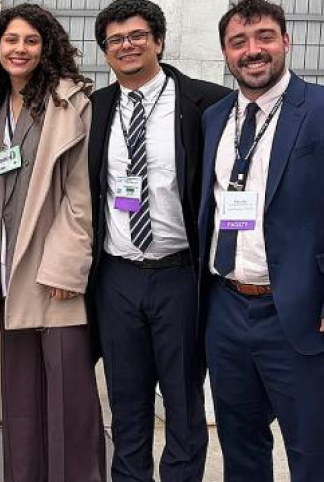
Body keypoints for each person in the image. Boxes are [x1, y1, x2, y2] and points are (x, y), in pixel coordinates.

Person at [87, 1, 229, 481]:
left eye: (137, 36)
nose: (126, 46)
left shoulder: (207, 104)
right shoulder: (94, 108)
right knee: (126, 401)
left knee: (184, 402)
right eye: (115, 40)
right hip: (117, 276)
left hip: (180, 276)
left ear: (159, 40)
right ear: (105, 51)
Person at [0, 4, 105, 481]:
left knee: (70, 402)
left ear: (46, 47)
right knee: (22, 404)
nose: (19, 49)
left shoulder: (71, 104)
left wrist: (67, 269)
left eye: (30, 40)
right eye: (11, 40)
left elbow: (79, 196)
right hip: (11, 276)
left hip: (54, 278)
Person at [200, 1, 324, 481]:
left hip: (299, 312)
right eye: (239, 42)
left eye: (265, 38)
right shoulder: (214, 119)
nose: (253, 51)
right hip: (227, 311)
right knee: (240, 445)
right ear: (226, 53)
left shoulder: (317, 109)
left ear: (286, 42)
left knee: (311, 450)